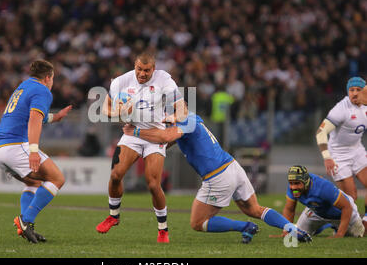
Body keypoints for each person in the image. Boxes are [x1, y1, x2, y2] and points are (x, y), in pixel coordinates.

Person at [121, 112, 312, 243]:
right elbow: (167, 141)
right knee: (255, 208)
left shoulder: (186, 121)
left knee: (197, 222)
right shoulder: (192, 118)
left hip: (218, 176)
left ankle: (245, 227)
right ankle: (292, 228)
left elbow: (165, 138)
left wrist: (135, 132)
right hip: (232, 167)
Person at [95, 51, 187, 243]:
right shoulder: (121, 81)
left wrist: (174, 116)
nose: (142, 74)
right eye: (139, 69)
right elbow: (105, 108)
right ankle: (113, 215)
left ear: (154, 68)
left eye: (147, 70)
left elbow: (182, 107)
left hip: (155, 134)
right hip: (132, 133)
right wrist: (116, 112)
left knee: (153, 184)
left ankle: (163, 229)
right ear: (134, 66)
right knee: (115, 175)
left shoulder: (164, 79)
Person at [0, 59, 72, 243]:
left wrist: (55, 117)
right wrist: (34, 151)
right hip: (16, 146)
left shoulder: (23, 87)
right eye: (53, 79)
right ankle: (26, 220)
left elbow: (29, 115)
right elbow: (34, 120)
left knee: (33, 183)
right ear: (47, 78)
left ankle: (28, 228)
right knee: (57, 179)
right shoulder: (42, 90)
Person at [315, 77, 367, 230]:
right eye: (352, 90)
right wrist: (327, 158)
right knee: (351, 198)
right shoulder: (341, 109)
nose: (355, 93)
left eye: (358, 90)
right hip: (338, 155)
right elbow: (320, 133)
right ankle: (326, 221)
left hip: (357, 150)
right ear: (347, 92)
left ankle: (364, 222)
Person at [282, 165, 364, 238]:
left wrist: (339, 234)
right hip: (316, 210)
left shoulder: (323, 188)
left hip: (341, 213)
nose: (293, 187)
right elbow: (290, 209)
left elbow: (346, 207)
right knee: (298, 235)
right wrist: (286, 231)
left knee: (358, 235)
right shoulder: (293, 188)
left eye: (297, 183)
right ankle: (320, 227)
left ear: (306, 182)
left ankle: (335, 226)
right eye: (291, 183)